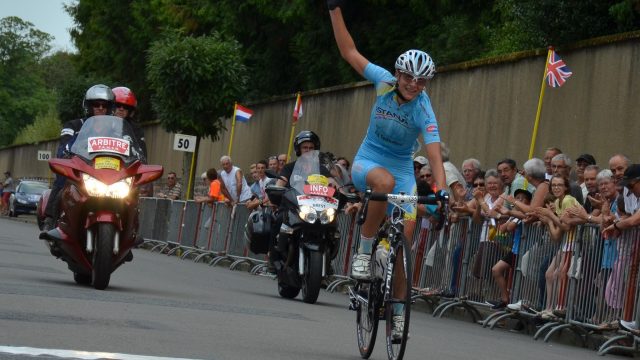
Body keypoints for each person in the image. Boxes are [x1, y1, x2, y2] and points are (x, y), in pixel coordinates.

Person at [328, 1, 447, 339]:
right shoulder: (382, 81)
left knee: (403, 252)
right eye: (409, 77)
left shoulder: (425, 110)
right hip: (370, 160)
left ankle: (397, 314)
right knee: (385, 181)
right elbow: (349, 51)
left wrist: (440, 190)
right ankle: (364, 252)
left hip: (404, 172)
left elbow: (435, 155)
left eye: (421, 81)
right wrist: (335, 8)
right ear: (398, 74)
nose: (413, 84)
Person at [42, 84, 116, 232]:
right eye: (96, 104)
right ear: (89, 106)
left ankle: (131, 231)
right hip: (81, 168)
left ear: (109, 107)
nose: (101, 108)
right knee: (62, 181)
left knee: (129, 190)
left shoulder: (115, 129)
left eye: (104, 105)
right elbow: (65, 144)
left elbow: (129, 145)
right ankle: (50, 220)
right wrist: (66, 152)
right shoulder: (74, 125)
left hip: (105, 171)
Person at [490, 188, 532, 309]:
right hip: (515, 250)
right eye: (517, 198)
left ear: (528, 202)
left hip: (523, 250)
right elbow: (503, 228)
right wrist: (504, 215)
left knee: (519, 279)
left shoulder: (521, 214)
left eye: (522, 199)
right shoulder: (514, 213)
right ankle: (505, 299)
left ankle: (520, 303)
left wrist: (509, 214)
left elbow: (511, 227)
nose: (518, 201)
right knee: (496, 270)